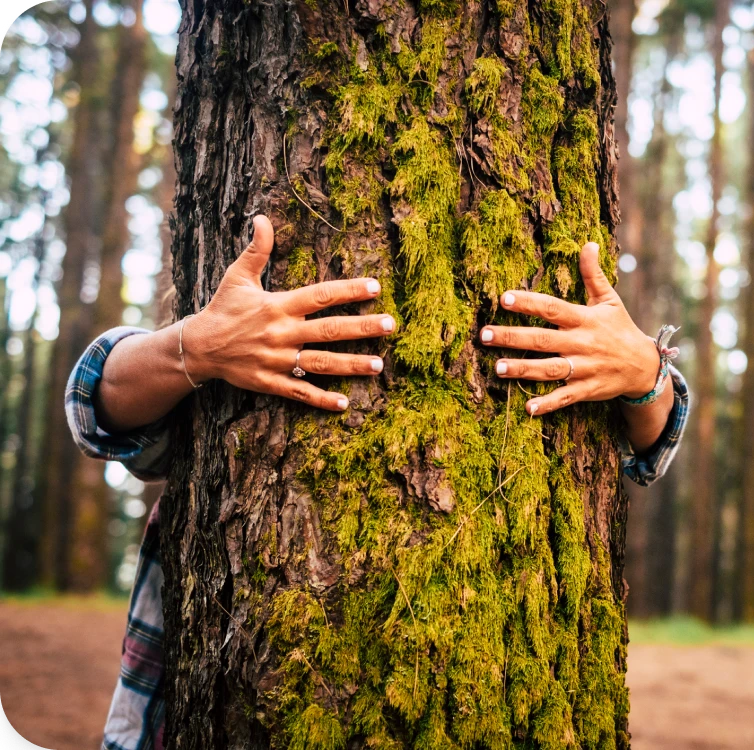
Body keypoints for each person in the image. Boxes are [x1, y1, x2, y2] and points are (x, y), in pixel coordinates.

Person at [67, 215, 690, 750]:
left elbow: (648, 446)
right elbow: (93, 404)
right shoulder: (215, 374)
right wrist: (198, 347)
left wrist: (646, 369)